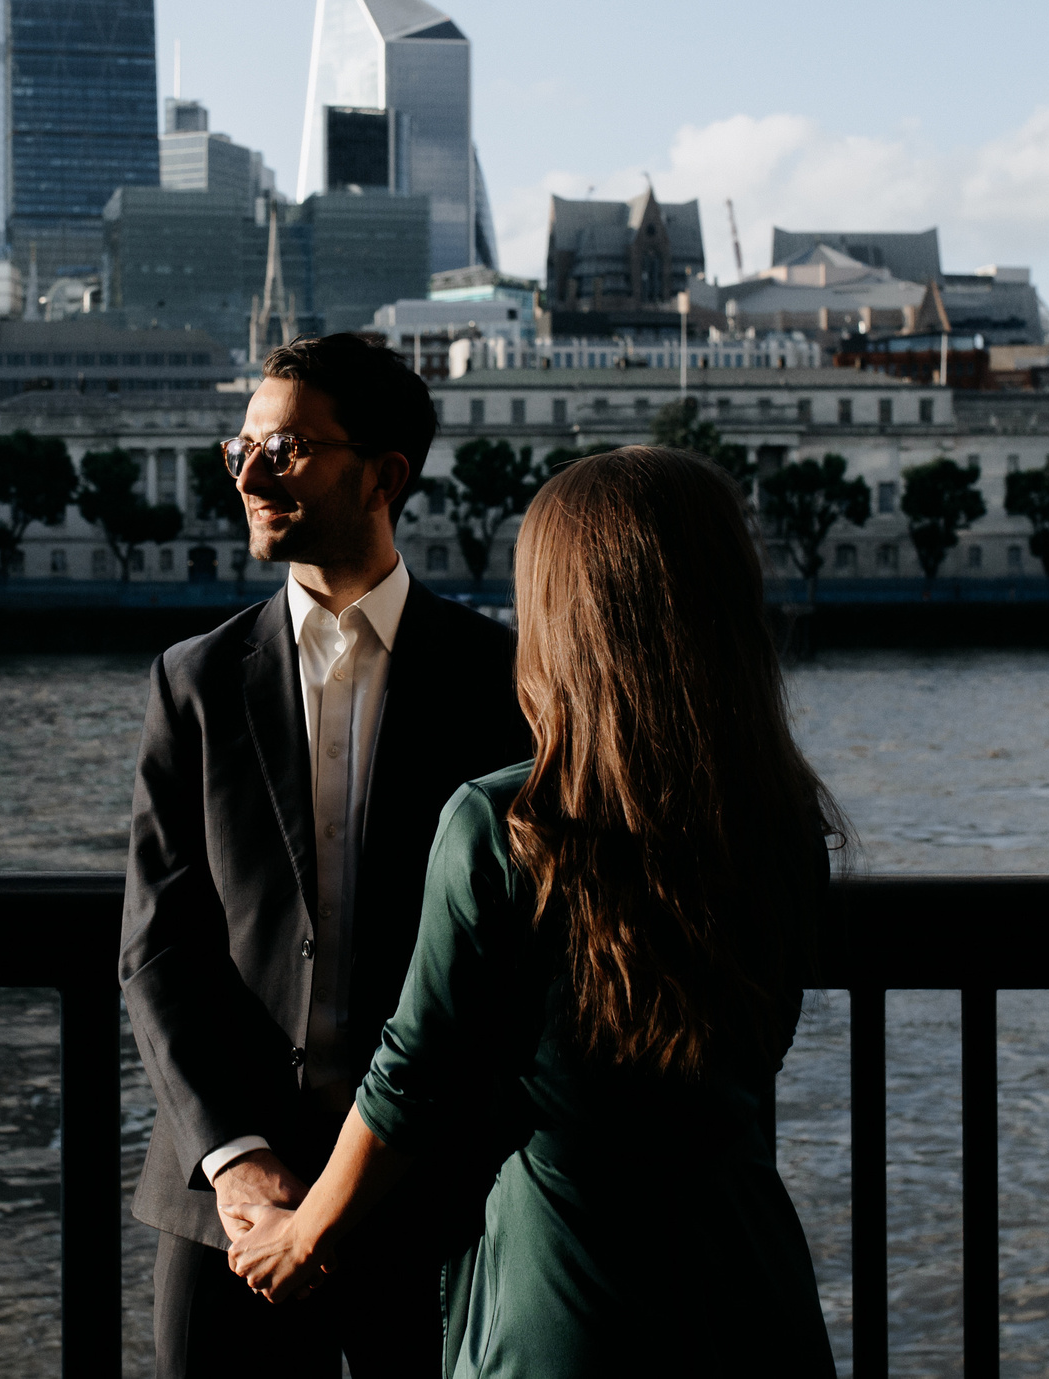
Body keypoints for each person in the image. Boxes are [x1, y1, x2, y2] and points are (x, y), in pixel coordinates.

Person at [226, 445, 845, 1376]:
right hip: (752, 1287)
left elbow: (411, 1078)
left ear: (563, 616)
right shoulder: (784, 818)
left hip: (568, 1292)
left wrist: (304, 1233)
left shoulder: (504, 823)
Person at [121, 332, 531, 1378]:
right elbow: (157, 949)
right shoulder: (193, 681)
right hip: (229, 1212)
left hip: (431, 1192)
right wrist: (235, 1159)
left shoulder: (504, 680)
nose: (250, 475)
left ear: (384, 476)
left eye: (287, 450)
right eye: (241, 448)